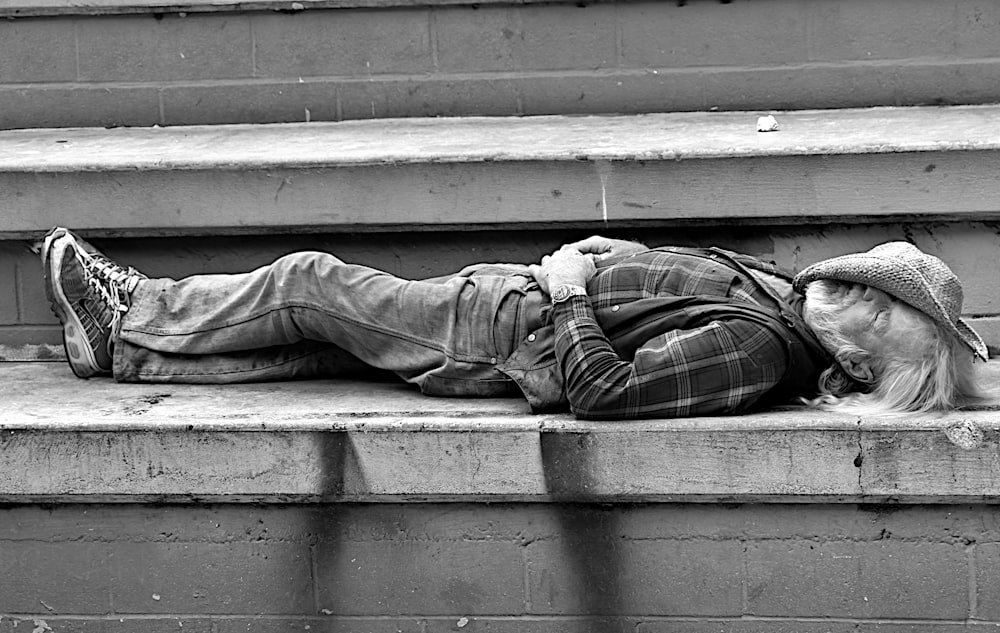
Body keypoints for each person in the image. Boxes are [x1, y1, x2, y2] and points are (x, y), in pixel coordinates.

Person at [40, 227, 990, 419]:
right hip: (509, 305)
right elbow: (675, 287)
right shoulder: (781, 302)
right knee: (316, 339)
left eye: (871, 299)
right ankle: (122, 348)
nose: (847, 283)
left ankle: (133, 310)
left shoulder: (756, 349)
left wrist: (575, 284)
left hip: (500, 331)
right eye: (867, 278)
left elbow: (605, 394)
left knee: (309, 283)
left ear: (858, 361)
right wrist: (611, 249)